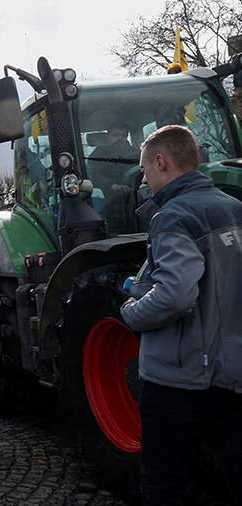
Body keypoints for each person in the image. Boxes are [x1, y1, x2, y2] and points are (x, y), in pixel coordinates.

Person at [120, 125, 242, 505]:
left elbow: (175, 295)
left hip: (181, 377)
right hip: (231, 370)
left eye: (144, 170)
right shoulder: (234, 207)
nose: (143, 179)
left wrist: (132, 312)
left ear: (162, 162)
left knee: (164, 481)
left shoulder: (172, 216)